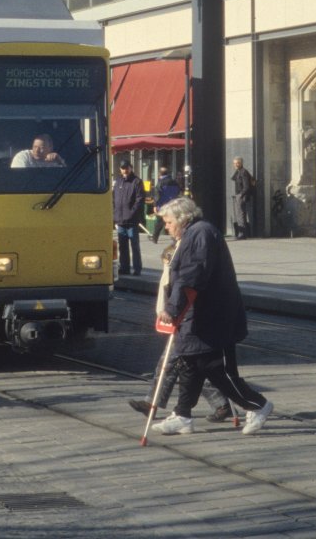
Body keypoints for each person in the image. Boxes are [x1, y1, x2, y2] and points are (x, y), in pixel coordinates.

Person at [152, 196, 273, 436]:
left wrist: (172, 308)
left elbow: (191, 276)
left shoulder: (200, 234)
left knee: (216, 368)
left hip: (213, 315)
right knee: (190, 363)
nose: (166, 227)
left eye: (168, 222)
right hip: (198, 314)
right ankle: (183, 415)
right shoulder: (192, 234)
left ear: (182, 218)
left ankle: (258, 405)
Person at [128, 241, 232, 422]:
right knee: (193, 366)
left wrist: (171, 312)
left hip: (188, 322)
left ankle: (153, 405)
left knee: (173, 364)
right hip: (183, 321)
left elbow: (180, 294)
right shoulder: (174, 266)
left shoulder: (186, 269)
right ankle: (221, 405)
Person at [113, 159, 145, 275]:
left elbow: (140, 199)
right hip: (120, 219)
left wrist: (132, 213)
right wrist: (114, 214)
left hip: (131, 220)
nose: (124, 170)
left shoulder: (136, 182)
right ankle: (124, 268)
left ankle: (137, 269)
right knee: (122, 246)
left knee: (134, 245)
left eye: (126, 168)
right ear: (120, 169)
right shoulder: (117, 181)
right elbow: (113, 198)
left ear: (131, 168)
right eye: (122, 168)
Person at [150, 166, 181, 244]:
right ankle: (175, 238)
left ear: (159, 173)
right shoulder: (174, 182)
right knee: (172, 222)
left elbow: (157, 195)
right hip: (172, 205)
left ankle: (154, 238)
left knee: (159, 222)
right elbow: (178, 192)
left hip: (162, 205)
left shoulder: (160, 182)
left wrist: (155, 206)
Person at [231, 157, 254, 239]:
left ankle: (242, 234)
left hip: (241, 196)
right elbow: (233, 178)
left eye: (237, 163)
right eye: (234, 163)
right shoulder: (239, 172)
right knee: (240, 214)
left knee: (240, 214)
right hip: (239, 195)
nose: (235, 165)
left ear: (241, 163)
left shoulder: (243, 172)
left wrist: (241, 194)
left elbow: (246, 186)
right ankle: (242, 233)